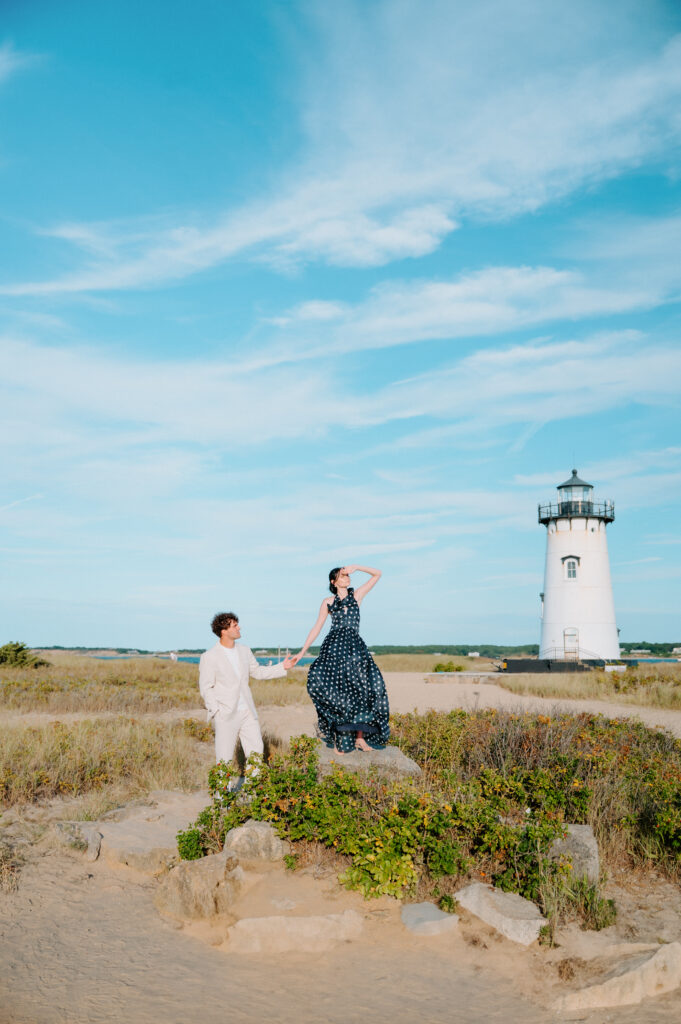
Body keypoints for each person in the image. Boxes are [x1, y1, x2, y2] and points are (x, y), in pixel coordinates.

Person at [289, 565, 389, 753]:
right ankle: (339, 737)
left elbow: (378, 573)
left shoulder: (357, 596)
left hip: (355, 649)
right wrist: (302, 652)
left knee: (364, 689)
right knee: (335, 691)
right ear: (333, 582)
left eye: (347, 575)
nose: (346, 577)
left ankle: (360, 738)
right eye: (342, 576)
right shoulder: (327, 601)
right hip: (333, 649)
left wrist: (357, 567)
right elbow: (317, 627)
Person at [199, 611, 296, 765]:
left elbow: (258, 672)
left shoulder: (244, 650)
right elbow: (206, 687)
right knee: (224, 758)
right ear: (223, 631)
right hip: (226, 714)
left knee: (256, 752)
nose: (239, 628)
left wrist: (282, 667)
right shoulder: (209, 656)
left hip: (248, 712)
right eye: (235, 625)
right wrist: (217, 711)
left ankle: (253, 788)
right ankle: (223, 790)